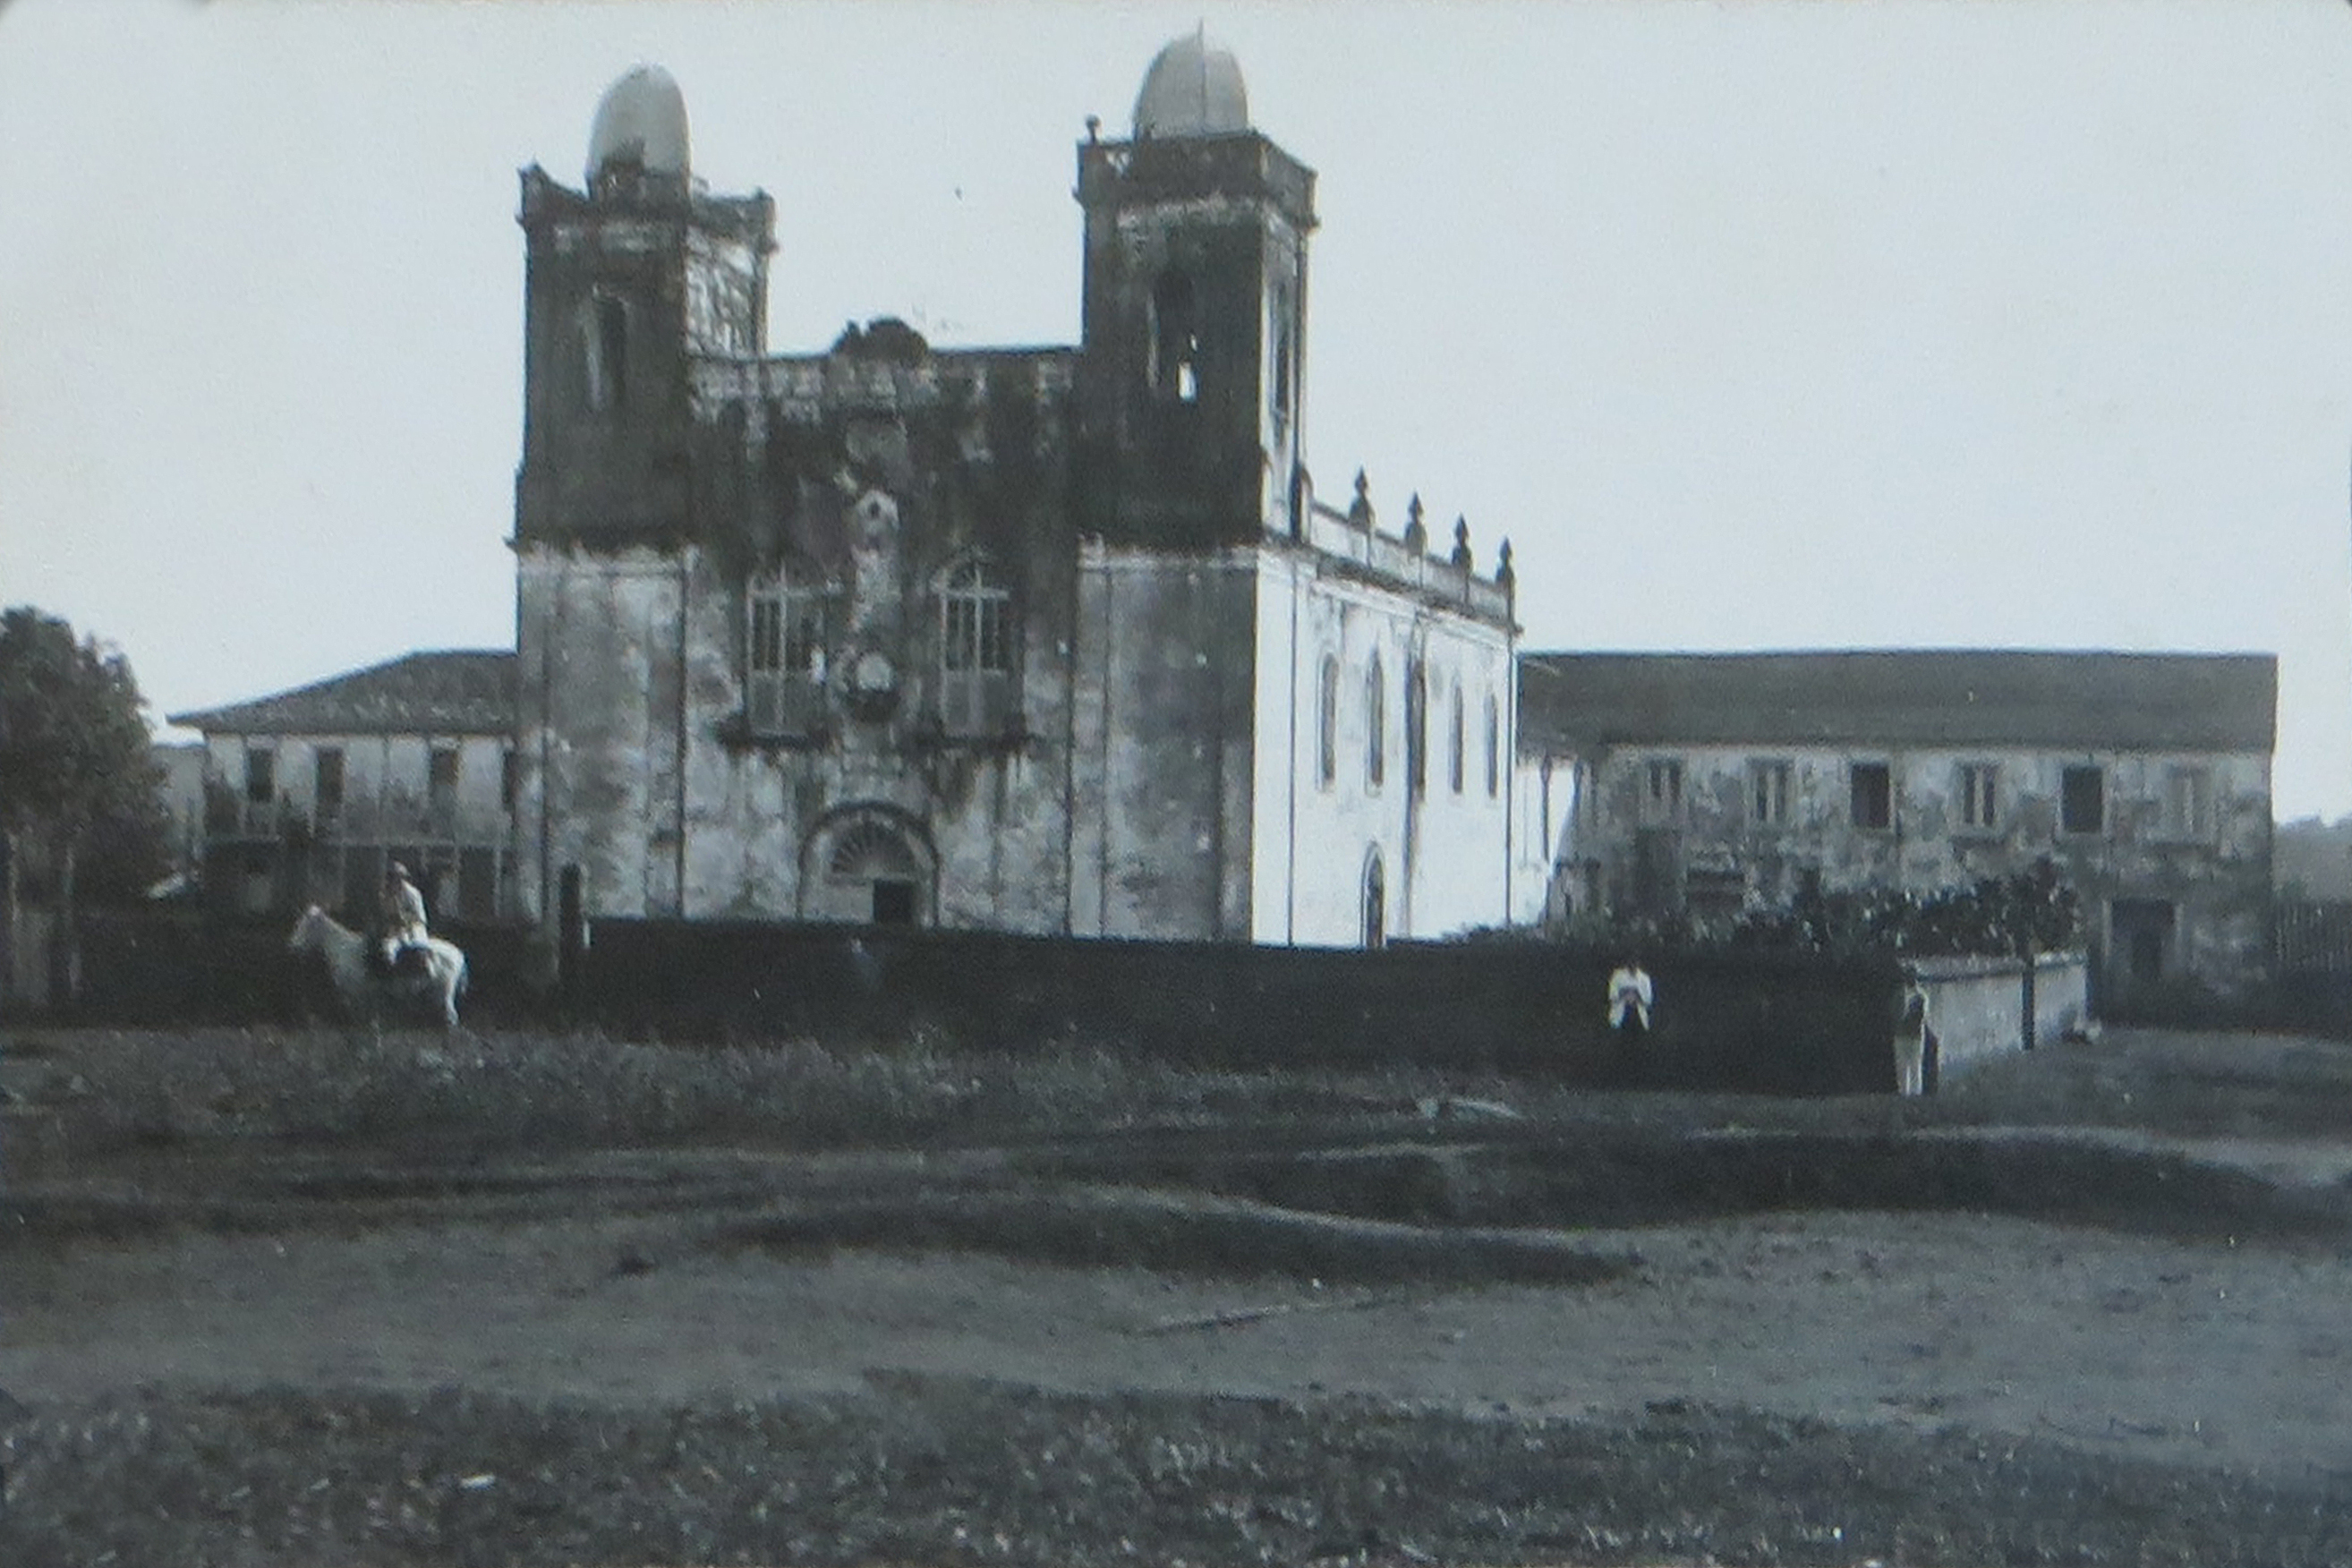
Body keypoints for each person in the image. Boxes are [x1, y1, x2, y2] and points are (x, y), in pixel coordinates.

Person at [1606, 954, 1654, 1084]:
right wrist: (1624, 993)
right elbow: (1611, 995)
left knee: (1637, 1048)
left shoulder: (1644, 978)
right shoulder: (1618, 976)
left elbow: (1648, 1000)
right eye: (1631, 963)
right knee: (1619, 1047)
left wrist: (1637, 996)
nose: (1633, 965)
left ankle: (1637, 1078)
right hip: (1621, 1016)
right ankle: (1617, 1078)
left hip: (1637, 1017)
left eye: (1635, 963)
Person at [378, 861, 430, 976]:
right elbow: (385, 913)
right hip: (394, 929)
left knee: (417, 947)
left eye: (396, 877)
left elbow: (419, 917)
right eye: (391, 877)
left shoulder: (413, 894)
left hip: (413, 928)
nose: (393, 881)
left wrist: (404, 919)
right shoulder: (385, 894)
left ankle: (423, 972)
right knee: (386, 949)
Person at [1893, 980, 1933, 1097]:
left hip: (1915, 1036)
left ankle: (1915, 1093)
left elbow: (1922, 1016)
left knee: (1915, 1065)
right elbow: (1894, 1014)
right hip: (1902, 1035)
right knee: (1902, 1067)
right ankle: (1904, 1093)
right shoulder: (1900, 995)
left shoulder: (1920, 996)